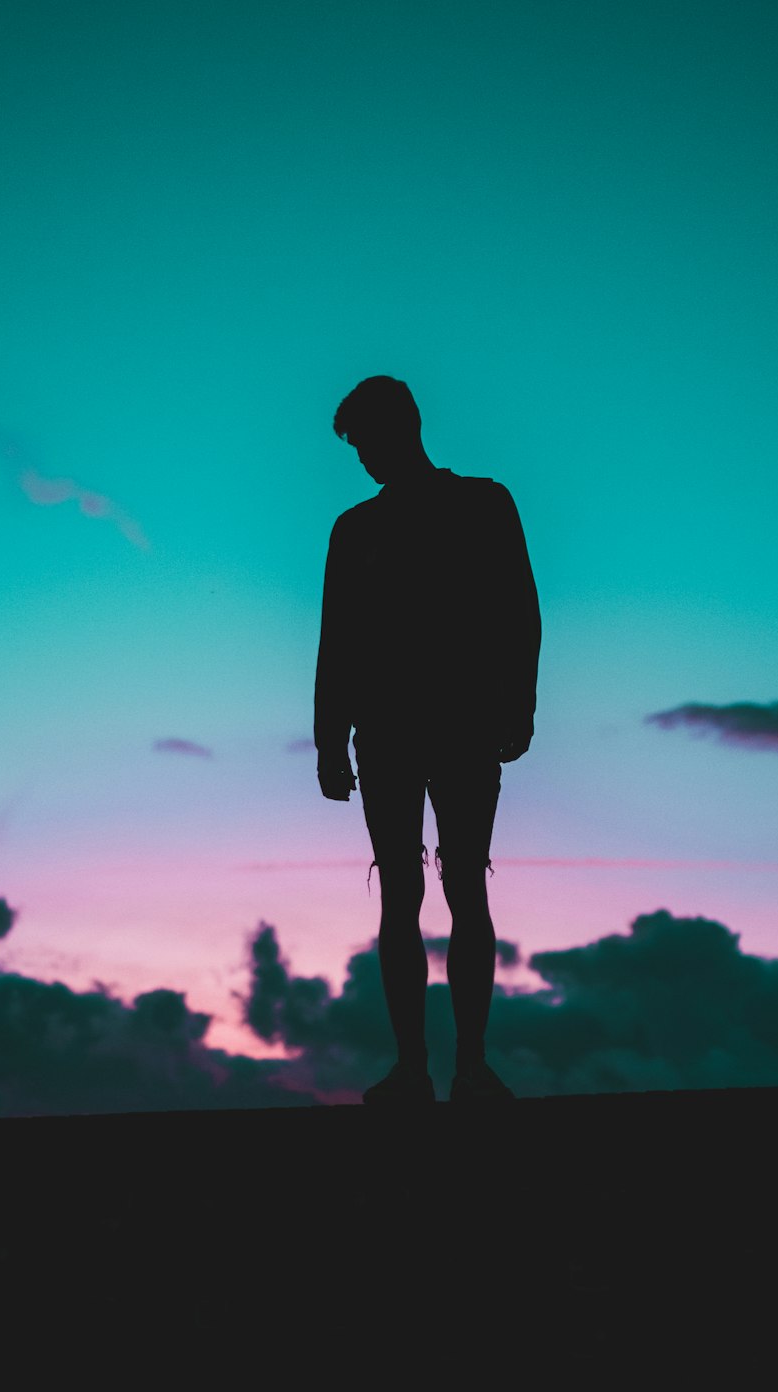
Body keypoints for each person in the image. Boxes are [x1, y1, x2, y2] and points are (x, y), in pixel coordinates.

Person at [314, 375, 541, 1105]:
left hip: (463, 722)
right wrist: (328, 738)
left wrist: (519, 705)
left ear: (402, 428)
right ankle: (416, 1067)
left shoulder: (483, 503)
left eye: (367, 443)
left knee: (463, 886)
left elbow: (519, 611)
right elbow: (337, 640)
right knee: (405, 894)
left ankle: (468, 1066)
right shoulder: (355, 529)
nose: (363, 459)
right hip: (388, 732)